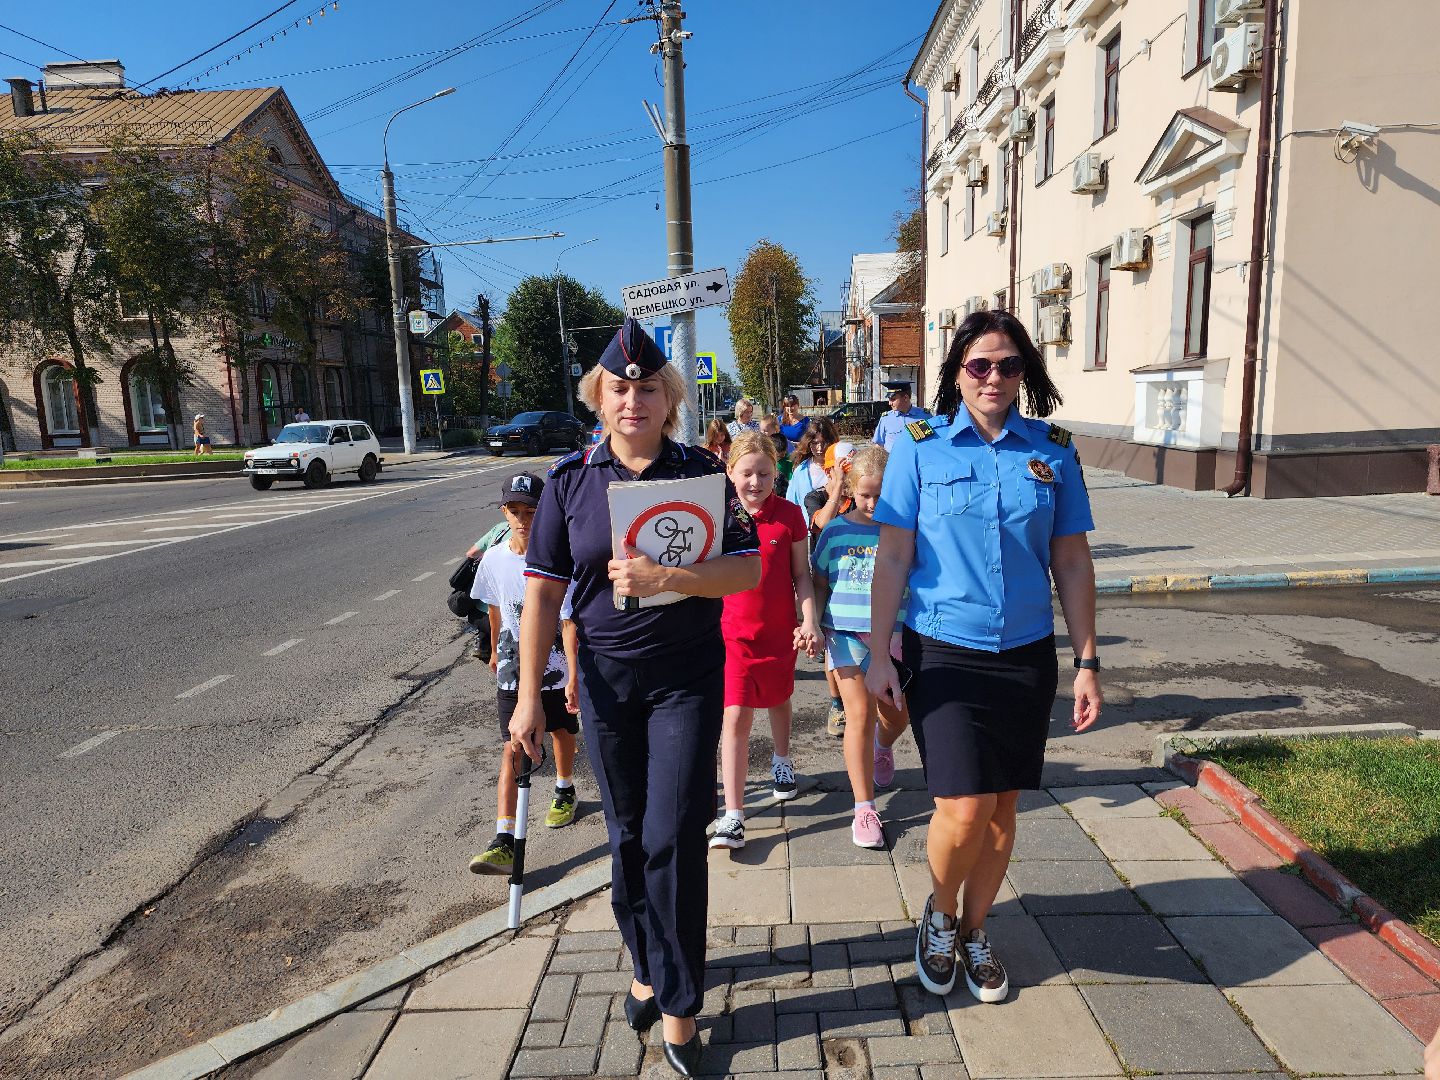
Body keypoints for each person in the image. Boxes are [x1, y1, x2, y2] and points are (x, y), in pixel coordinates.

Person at [514, 318, 759, 1077]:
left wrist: (671, 579)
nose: (632, 401)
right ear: (599, 396)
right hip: (605, 684)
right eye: (619, 388)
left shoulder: (702, 474)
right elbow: (543, 595)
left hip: (686, 677)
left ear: (668, 397)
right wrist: (531, 696)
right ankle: (647, 959)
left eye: (647, 388)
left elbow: (746, 570)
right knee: (625, 837)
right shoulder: (570, 480)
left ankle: (681, 1006)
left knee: (674, 835)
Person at [865, 309, 1101, 1004]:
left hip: (1027, 656)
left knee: (1002, 814)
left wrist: (1088, 661)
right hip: (944, 651)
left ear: (1024, 373)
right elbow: (894, 556)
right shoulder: (918, 446)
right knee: (963, 809)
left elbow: (1074, 562)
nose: (993, 377)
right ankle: (939, 912)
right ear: (957, 371)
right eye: (979, 365)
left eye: (1008, 365)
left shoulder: (1053, 450)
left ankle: (974, 929)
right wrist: (879, 652)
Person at [711, 430, 821, 851]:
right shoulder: (719, 516)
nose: (755, 483)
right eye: (746, 474)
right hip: (731, 634)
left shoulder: (790, 515)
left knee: (778, 699)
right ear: (730, 472)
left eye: (764, 474)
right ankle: (734, 816)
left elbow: (801, 577)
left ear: (777, 474)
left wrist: (808, 621)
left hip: (777, 633)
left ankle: (781, 760)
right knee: (735, 715)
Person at [469, 472, 581, 876]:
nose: (522, 519)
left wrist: (573, 673)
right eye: (514, 511)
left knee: (561, 732)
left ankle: (565, 787)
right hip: (514, 671)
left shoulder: (557, 558)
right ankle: (503, 839)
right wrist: (495, 650)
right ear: (503, 512)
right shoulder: (496, 558)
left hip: (555, 666)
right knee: (511, 748)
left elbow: (568, 621)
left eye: (531, 511)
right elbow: (495, 608)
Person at [811, 444, 910, 850]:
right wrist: (812, 623)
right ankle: (864, 808)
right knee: (859, 716)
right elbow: (818, 580)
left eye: (882, 494)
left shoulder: (903, 530)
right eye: (866, 494)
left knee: (897, 715)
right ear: (851, 489)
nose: (873, 503)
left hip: (896, 636)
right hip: (846, 635)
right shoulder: (835, 530)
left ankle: (883, 749)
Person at [785, 418, 839, 528]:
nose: (819, 448)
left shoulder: (840, 468)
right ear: (809, 443)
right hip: (808, 533)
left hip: (837, 531)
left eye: (824, 442)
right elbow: (791, 504)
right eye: (815, 443)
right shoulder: (800, 470)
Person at [871, 381, 932, 451]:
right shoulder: (886, 419)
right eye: (889, 399)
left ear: (905, 398)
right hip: (894, 461)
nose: (889, 403)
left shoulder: (924, 416)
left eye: (893, 399)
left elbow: (932, 442)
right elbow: (878, 446)